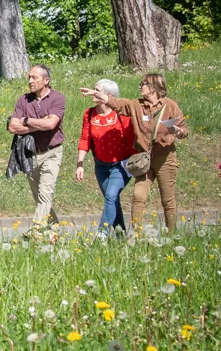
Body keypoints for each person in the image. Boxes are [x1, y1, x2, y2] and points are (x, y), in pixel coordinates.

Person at [80, 73, 188, 232]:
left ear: (153, 87)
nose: (140, 86)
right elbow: (116, 102)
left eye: (143, 84)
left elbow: (184, 130)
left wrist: (178, 131)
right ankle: (138, 236)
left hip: (165, 158)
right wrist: (97, 93)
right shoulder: (136, 105)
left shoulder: (170, 105)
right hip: (143, 159)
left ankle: (172, 234)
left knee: (167, 199)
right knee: (138, 197)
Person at [8, 65, 67, 233]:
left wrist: (26, 120)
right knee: (38, 196)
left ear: (46, 80)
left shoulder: (57, 98)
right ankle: (54, 229)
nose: (30, 81)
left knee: (45, 193)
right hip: (31, 155)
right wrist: (38, 124)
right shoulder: (23, 100)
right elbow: (12, 127)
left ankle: (37, 231)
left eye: (34, 78)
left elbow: (51, 124)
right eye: (29, 77)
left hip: (52, 153)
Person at [73, 78, 135, 237]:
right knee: (112, 200)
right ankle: (121, 237)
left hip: (121, 165)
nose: (93, 92)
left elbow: (133, 140)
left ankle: (102, 233)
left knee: (111, 196)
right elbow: (85, 139)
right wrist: (80, 164)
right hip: (101, 166)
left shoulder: (122, 114)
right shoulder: (89, 113)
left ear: (108, 95)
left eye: (96, 90)